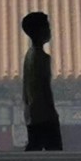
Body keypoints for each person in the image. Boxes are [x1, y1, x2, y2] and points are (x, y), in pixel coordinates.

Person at [21, 12, 62, 151]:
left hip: (32, 112)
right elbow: (44, 88)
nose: (50, 30)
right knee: (54, 149)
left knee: (34, 146)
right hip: (43, 114)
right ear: (39, 31)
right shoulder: (41, 58)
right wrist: (51, 111)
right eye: (47, 27)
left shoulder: (29, 55)